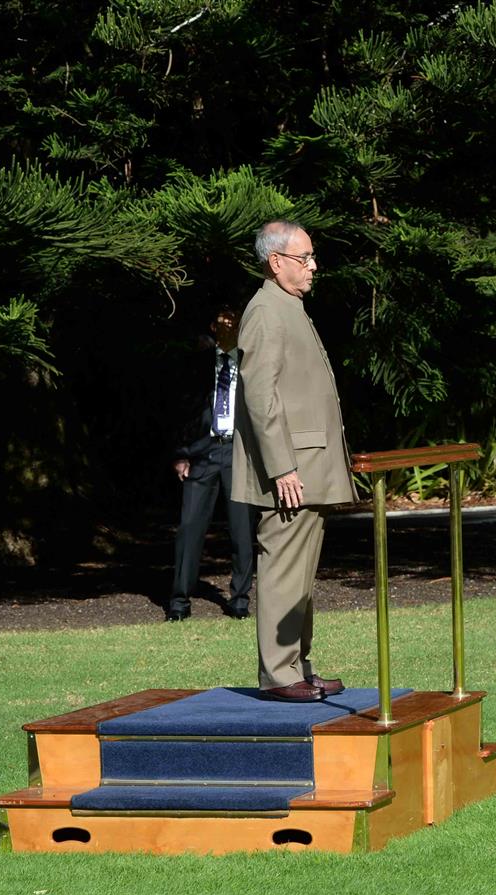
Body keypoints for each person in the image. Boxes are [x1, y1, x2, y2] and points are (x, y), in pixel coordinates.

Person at [232, 221, 357, 702]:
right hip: (292, 472)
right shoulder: (265, 310)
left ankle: (297, 666)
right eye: (304, 258)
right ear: (276, 261)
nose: (313, 266)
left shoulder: (289, 307)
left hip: (308, 468)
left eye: (311, 257)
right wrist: (282, 466)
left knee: (300, 575)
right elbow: (260, 397)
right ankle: (280, 675)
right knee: (284, 569)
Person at [168, 306, 257, 621]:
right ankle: (179, 601)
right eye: (223, 315)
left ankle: (240, 599)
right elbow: (184, 408)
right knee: (190, 527)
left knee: (242, 530)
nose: (229, 320)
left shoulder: (251, 363)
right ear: (213, 324)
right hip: (203, 452)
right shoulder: (197, 366)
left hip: (239, 452)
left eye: (234, 315)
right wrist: (181, 452)